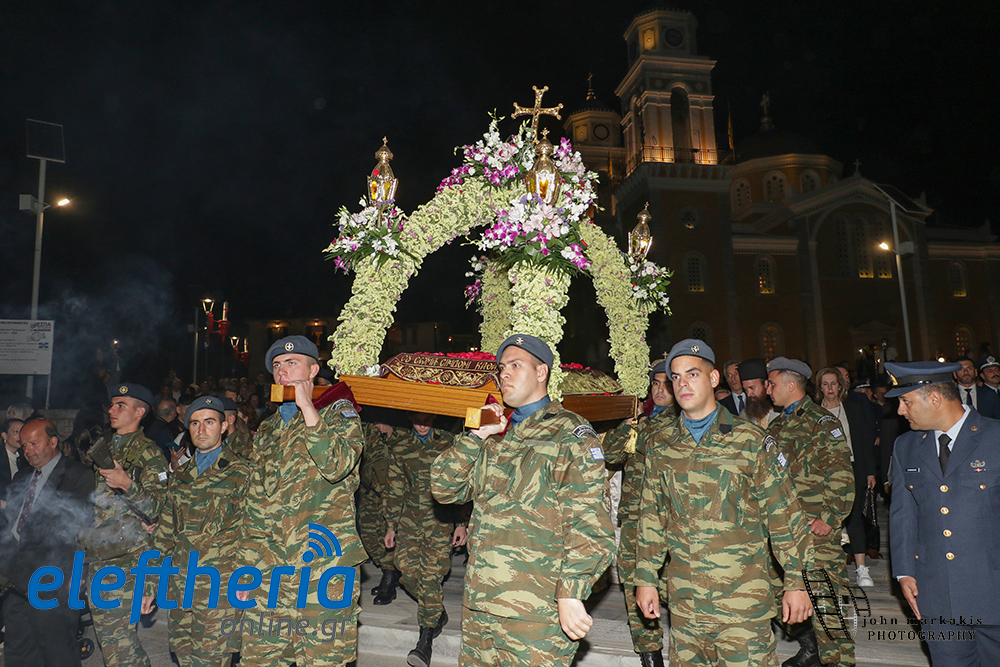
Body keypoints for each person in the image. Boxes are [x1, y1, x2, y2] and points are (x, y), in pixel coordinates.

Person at [431, 333, 615, 667]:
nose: (504, 373)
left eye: (515, 365)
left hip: (536, 611)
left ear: (541, 372)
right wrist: (476, 436)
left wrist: (571, 593)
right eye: (502, 367)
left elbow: (589, 524)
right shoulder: (492, 434)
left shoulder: (569, 433)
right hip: (481, 605)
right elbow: (444, 488)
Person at [634, 339, 813, 667]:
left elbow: (784, 514)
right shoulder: (662, 446)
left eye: (692, 374)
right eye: (676, 377)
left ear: (714, 378)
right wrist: (646, 578)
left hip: (742, 608)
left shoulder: (750, 441)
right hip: (686, 608)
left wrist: (797, 582)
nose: (683, 384)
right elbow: (652, 517)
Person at [238, 336, 365, 667]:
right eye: (277, 366)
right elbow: (256, 504)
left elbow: (337, 465)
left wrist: (309, 407)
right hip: (270, 569)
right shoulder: (267, 429)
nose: (283, 372)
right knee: (258, 658)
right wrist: (246, 567)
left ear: (313, 371)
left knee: (322, 658)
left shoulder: (339, 413)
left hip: (323, 567)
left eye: (292, 363)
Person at [887, 361, 1000, 666]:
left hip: (993, 590)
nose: (900, 411)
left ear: (935, 399)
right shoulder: (906, 446)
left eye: (906, 401)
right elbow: (903, 514)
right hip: (936, 594)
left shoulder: (995, 437)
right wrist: (904, 572)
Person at [141, 396, 251, 667]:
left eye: (209, 422)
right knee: (184, 657)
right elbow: (164, 537)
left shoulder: (242, 473)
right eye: (194, 423)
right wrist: (149, 585)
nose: (201, 430)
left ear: (224, 426)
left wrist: (248, 579)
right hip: (181, 588)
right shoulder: (180, 477)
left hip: (220, 590)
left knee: (210, 660)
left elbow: (255, 533)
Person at [766, 358, 856, 667]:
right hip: (783, 529)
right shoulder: (777, 425)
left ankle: (838, 661)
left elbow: (842, 475)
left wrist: (829, 519)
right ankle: (811, 648)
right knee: (779, 592)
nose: (768, 390)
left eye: (772, 384)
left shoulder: (821, 422)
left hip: (814, 527)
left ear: (791, 385)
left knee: (825, 603)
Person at [0, 419, 95, 667]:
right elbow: (13, 520)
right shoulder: (22, 475)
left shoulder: (78, 475)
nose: (28, 450)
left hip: (55, 575)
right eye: (24, 445)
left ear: (53, 441)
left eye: (34, 443)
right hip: (15, 574)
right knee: (18, 646)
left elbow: (83, 529)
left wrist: (78, 573)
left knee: (56, 648)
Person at [86, 382, 167, 667]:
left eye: (121, 405)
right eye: (112, 404)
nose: (112, 410)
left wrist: (128, 485)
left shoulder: (149, 454)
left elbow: (159, 511)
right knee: (112, 645)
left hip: (129, 563)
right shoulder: (103, 449)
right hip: (99, 558)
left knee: (119, 647)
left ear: (139, 412)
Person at [602, 357, 676, 667]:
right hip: (634, 518)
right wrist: (628, 425)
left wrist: (644, 426)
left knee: (674, 587)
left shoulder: (682, 422)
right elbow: (609, 454)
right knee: (634, 586)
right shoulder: (638, 421)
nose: (659, 391)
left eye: (666, 385)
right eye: (655, 384)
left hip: (670, 519)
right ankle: (650, 655)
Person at [383, 412, 467, 667]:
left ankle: (425, 642)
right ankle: (436, 611)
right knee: (406, 572)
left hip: (439, 523)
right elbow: (394, 488)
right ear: (410, 418)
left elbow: (461, 485)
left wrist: (461, 524)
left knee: (430, 578)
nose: (422, 424)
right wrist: (391, 526)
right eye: (417, 420)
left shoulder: (448, 444)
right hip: (408, 522)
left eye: (427, 419)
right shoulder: (401, 447)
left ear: (434, 417)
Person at [815, 367, 877, 588]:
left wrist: (870, 471)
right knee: (826, 518)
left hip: (852, 468)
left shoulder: (852, 408)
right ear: (820, 388)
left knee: (854, 516)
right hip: (824, 472)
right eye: (825, 384)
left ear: (840, 385)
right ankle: (829, 569)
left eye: (833, 383)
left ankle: (861, 568)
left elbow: (864, 441)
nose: (830, 388)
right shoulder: (814, 412)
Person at [357, 420, 398, 604]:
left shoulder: (396, 414)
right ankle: (388, 570)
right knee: (367, 535)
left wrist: (393, 430)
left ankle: (389, 578)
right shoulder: (362, 419)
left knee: (386, 533)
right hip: (368, 486)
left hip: (389, 486)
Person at [738, 358, 781, 428]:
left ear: (765, 384)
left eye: (752, 388)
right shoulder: (744, 415)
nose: (748, 394)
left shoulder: (781, 412)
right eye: (746, 390)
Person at [1, 418, 26, 500]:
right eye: (15, 431)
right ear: (5, 435)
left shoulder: (25, 457)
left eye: (23, 431)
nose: (20, 436)